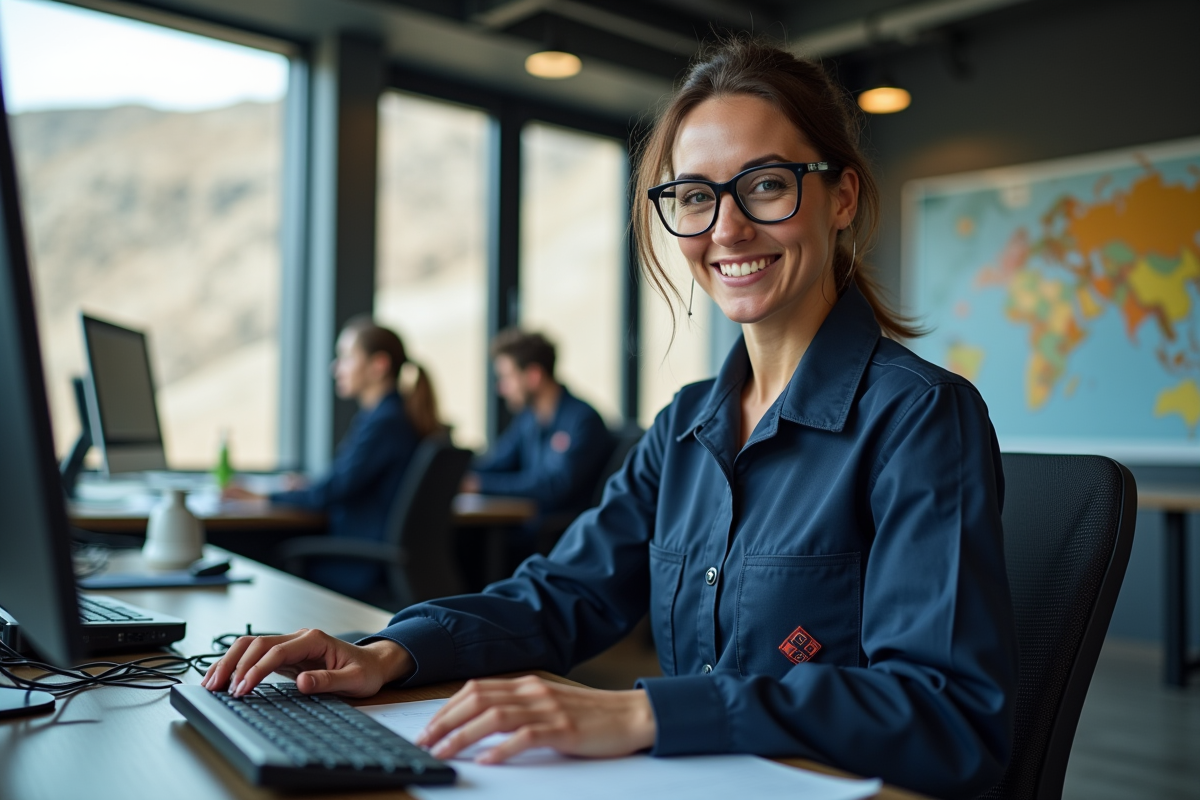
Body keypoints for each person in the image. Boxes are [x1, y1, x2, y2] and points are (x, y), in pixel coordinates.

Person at [202, 38, 1017, 799]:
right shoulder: (687, 425)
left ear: (840, 197)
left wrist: (646, 713)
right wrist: (390, 652)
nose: (726, 227)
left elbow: (944, 713)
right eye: (695, 196)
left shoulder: (920, 418)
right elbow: (561, 595)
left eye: (766, 184)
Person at [224, 316, 443, 600]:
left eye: (347, 358)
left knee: (267, 555)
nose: (335, 367)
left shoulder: (385, 422)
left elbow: (333, 491)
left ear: (378, 365)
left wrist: (263, 499)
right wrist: (305, 487)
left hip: (360, 563)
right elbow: (346, 482)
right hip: (371, 553)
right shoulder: (387, 416)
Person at [461, 328, 614, 564]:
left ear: (533, 375)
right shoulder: (528, 419)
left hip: (557, 540)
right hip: (526, 529)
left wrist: (480, 485)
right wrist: (458, 475)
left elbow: (554, 485)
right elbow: (497, 462)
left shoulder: (582, 420)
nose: (501, 388)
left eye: (507, 378)